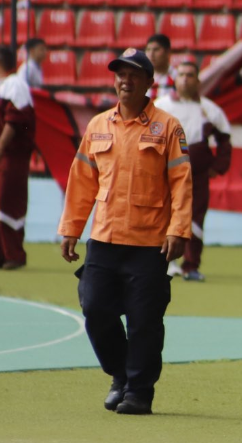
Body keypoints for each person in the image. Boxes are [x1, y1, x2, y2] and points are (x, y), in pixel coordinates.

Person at [59, 47, 193, 416]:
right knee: (95, 308)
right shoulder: (98, 125)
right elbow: (82, 180)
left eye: (134, 74)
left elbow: (182, 182)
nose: (125, 80)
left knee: (144, 321)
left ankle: (139, 391)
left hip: (150, 242)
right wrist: (71, 228)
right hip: (103, 238)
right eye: (120, 73)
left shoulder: (167, 127)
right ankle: (119, 374)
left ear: (150, 83)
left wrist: (178, 229)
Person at [154, 59, 232, 282]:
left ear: (198, 80)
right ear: (174, 80)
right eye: (181, 75)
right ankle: (166, 263)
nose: (186, 79)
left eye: (190, 75)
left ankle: (191, 266)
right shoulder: (161, 106)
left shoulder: (209, 109)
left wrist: (218, 167)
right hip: (165, 173)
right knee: (163, 215)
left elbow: (225, 139)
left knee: (195, 218)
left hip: (197, 175)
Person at [0, 45, 35, 270]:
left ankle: (14, 254)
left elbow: (15, 121)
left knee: (7, 202)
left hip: (10, 157)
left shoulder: (15, 85)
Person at [144, 34, 175, 98]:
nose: (151, 54)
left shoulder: (176, 76)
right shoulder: (142, 77)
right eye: (148, 49)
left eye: (156, 50)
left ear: (167, 52)